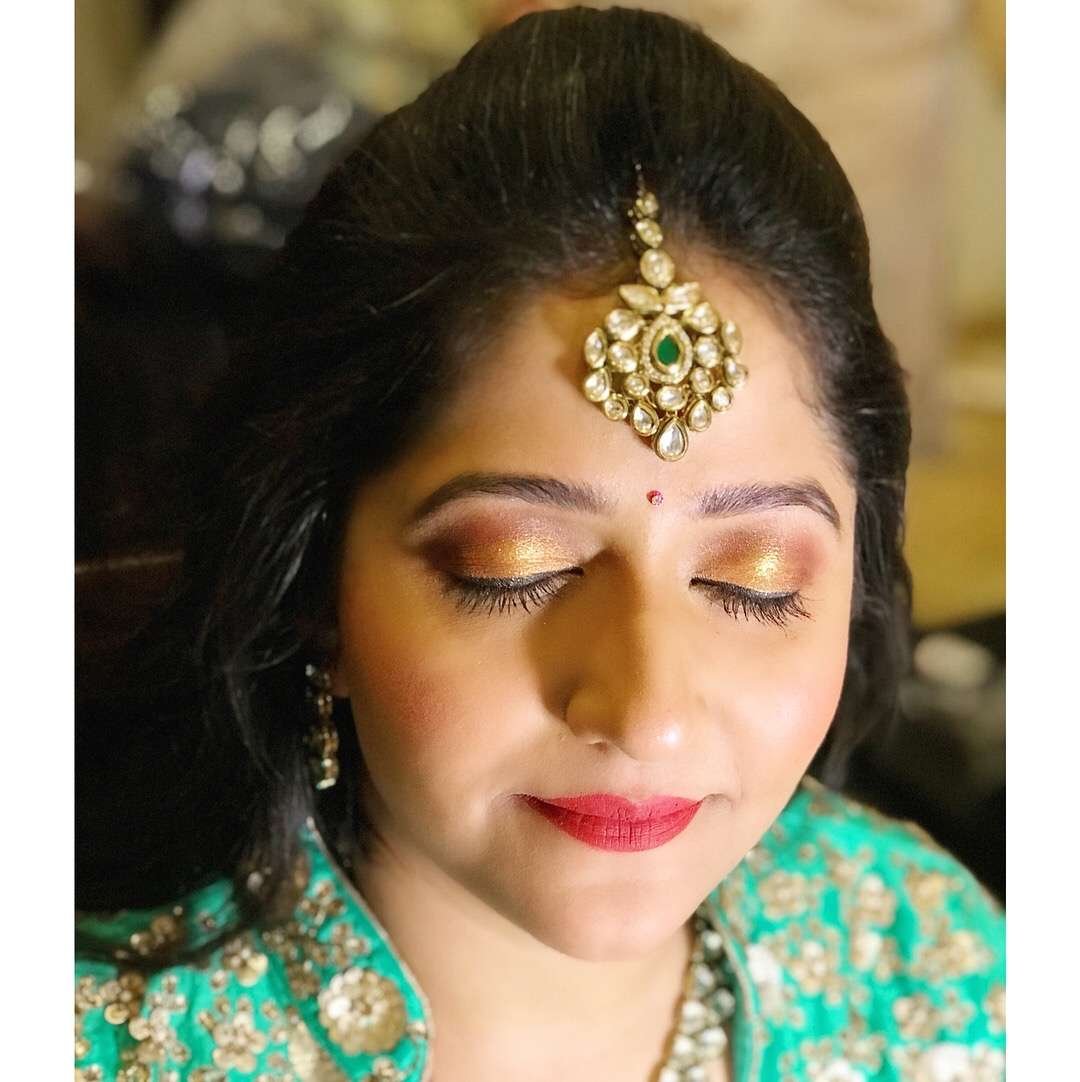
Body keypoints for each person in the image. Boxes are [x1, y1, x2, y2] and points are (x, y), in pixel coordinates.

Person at [74, 8, 1005, 1081]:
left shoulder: (933, 977)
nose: (647, 713)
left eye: (754, 580)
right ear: (316, 583)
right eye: (515, 567)